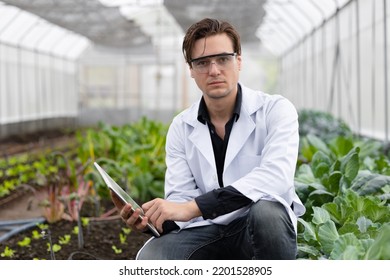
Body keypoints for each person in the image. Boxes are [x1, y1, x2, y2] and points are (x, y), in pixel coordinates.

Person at [111, 17, 305, 260]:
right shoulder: (182, 126)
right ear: (191, 69)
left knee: (267, 213)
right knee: (152, 258)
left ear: (239, 61)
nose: (214, 70)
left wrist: (193, 207)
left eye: (223, 59)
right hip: (207, 230)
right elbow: (180, 197)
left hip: (255, 227)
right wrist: (156, 220)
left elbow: (275, 179)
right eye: (202, 62)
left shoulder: (275, 110)